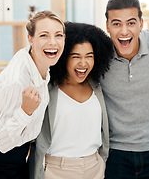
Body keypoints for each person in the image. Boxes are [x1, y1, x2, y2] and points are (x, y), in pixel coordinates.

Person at [0, 11, 65, 178]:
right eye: (44, 35)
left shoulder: (36, 61)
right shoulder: (17, 81)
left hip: (18, 157)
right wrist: (25, 112)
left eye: (59, 35)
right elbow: (2, 143)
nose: (53, 42)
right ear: (30, 38)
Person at [101, 0, 149, 178]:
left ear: (141, 24)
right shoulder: (98, 53)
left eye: (131, 23)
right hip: (115, 154)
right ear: (108, 26)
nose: (124, 31)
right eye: (117, 24)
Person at [30, 22, 114, 179]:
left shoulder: (97, 86)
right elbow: (2, 97)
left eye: (89, 56)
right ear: (62, 57)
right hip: (56, 170)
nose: (83, 63)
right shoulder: (46, 87)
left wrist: (101, 162)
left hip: (94, 168)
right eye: (76, 57)